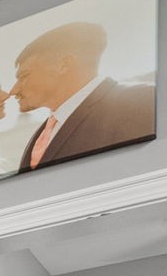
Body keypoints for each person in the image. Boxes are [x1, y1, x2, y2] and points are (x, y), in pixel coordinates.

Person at [12, 21, 157, 172]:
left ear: (64, 65)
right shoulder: (44, 131)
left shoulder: (144, 102)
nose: (13, 90)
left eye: (24, 76)